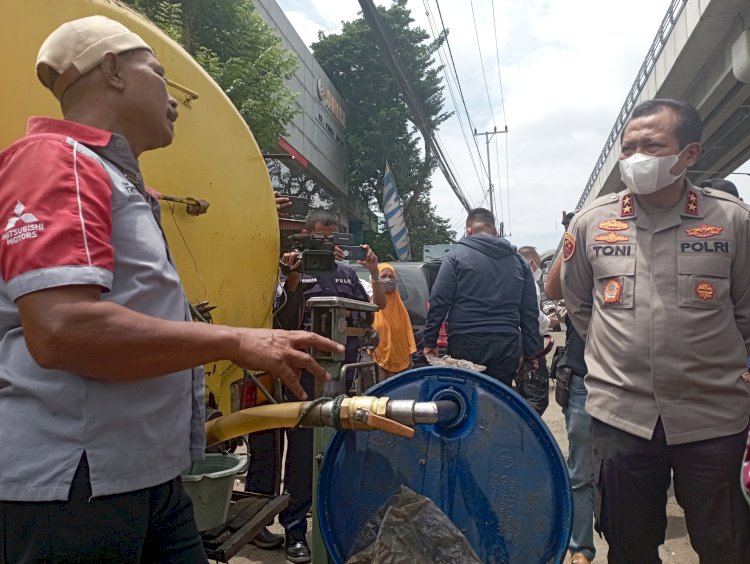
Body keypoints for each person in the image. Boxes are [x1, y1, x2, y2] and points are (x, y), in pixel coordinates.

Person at [0, 16, 343, 562]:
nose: (175, 97)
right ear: (111, 70)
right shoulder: (57, 162)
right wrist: (233, 341)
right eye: (157, 72)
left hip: (146, 479)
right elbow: (62, 330)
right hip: (75, 486)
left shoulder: (119, 181)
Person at [561, 98, 750, 562]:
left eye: (652, 145)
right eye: (629, 148)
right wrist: (621, 351)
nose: (636, 158)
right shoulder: (591, 225)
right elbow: (580, 307)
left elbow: (746, 313)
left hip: (713, 418)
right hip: (623, 418)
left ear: (690, 154)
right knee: (628, 545)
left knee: (726, 544)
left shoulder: (732, 220)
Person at [247, 209, 382, 563]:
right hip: (298, 376)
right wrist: (290, 278)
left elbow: (370, 311)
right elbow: (281, 320)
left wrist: (371, 273)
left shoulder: (345, 275)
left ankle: (328, 522)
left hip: (341, 376)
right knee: (300, 453)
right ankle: (294, 528)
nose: (327, 244)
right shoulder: (287, 272)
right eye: (320, 237)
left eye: (332, 237)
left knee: (333, 451)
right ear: (304, 235)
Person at [423, 208, 542, 385]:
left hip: (466, 341)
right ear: (496, 231)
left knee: (467, 397)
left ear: (468, 230)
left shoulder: (455, 255)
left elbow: (439, 300)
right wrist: (531, 351)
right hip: (507, 343)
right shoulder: (519, 261)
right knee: (499, 398)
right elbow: (530, 311)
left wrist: (429, 341)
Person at [545, 217, 595, 564]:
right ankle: (581, 547)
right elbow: (552, 289)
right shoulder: (581, 249)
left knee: (627, 466)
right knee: (580, 469)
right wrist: (573, 232)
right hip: (582, 375)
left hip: (635, 379)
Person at [517, 245, 553, 416]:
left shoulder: (509, 278)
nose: (538, 269)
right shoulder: (530, 281)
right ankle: (520, 433)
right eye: (538, 265)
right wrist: (550, 321)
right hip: (530, 344)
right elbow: (533, 316)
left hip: (511, 344)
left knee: (520, 392)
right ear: (531, 263)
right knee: (536, 397)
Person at [370, 262, 416, 379]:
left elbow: (408, 330)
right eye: (383, 276)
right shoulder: (370, 303)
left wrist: (410, 350)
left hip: (401, 361)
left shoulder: (400, 306)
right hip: (377, 360)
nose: (387, 280)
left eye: (391, 277)